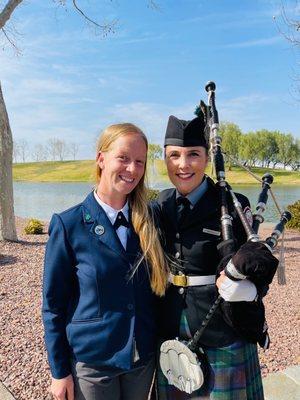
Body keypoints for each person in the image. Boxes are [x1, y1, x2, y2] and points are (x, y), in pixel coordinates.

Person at [156, 112, 278, 400]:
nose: (183, 164)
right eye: (174, 155)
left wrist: (251, 291)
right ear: (165, 159)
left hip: (222, 328)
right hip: (172, 328)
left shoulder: (234, 205)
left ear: (207, 158)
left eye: (193, 155)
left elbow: (257, 263)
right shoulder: (159, 204)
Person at [42, 123, 169, 400]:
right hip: (93, 364)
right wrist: (59, 371)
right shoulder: (69, 224)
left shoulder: (151, 219)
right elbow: (53, 307)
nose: (132, 169)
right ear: (101, 159)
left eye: (140, 162)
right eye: (123, 158)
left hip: (141, 360)